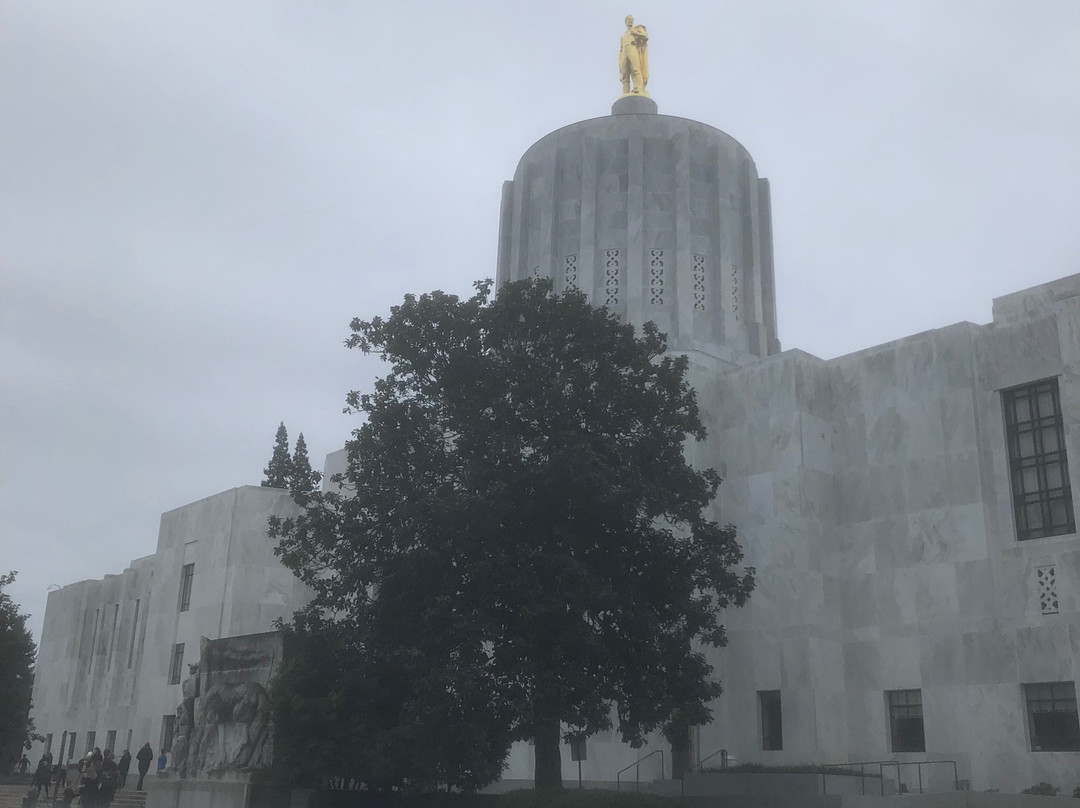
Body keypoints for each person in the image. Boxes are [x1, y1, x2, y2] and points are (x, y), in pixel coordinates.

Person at [617, 14, 649, 97]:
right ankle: (625, 93)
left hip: (632, 48)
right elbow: (620, 50)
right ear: (625, 21)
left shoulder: (636, 29)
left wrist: (636, 33)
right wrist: (619, 64)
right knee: (624, 74)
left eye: (631, 19)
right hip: (625, 50)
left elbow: (645, 36)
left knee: (636, 69)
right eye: (628, 19)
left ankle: (639, 89)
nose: (630, 21)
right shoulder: (623, 36)